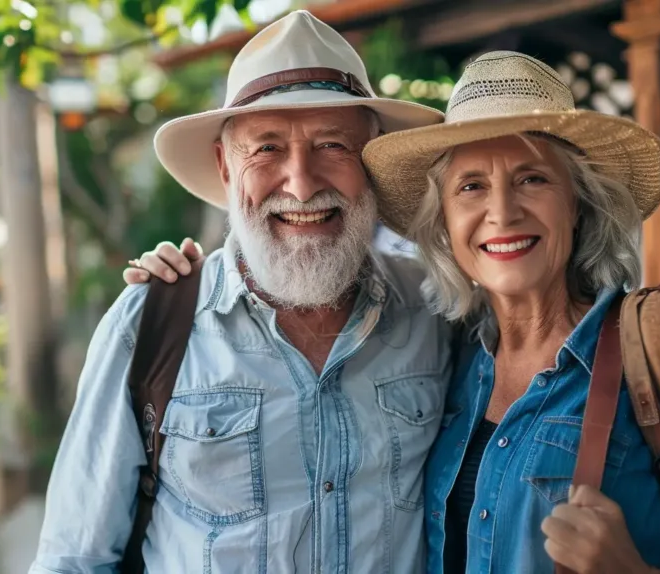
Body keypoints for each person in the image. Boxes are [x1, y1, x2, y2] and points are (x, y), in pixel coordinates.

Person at [126, 52, 660, 572]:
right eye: (472, 186)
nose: (501, 212)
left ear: (578, 202)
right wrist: (187, 280)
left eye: (532, 178)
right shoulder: (448, 350)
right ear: (445, 221)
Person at [31, 10, 449, 574]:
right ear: (226, 170)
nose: (301, 184)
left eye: (332, 146)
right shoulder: (151, 324)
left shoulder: (436, 306)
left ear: (371, 163)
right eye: (267, 149)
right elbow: (74, 558)